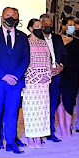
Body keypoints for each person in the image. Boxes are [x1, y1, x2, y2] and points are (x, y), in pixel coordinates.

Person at [0, 7, 30, 155]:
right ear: (1, 17)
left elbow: (26, 59)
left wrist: (16, 76)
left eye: (14, 15)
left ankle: (10, 142)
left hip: (15, 83)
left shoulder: (23, 37)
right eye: (8, 15)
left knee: (12, 113)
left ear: (18, 18)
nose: (11, 17)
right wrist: (3, 75)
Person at [22, 19, 52, 148]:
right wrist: (36, 77)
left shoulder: (44, 43)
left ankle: (39, 136)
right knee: (30, 109)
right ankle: (30, 137)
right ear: (30, 28)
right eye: (37, 26)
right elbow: (24, 63)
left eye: (41, 26)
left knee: (43, 110)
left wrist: (47, 75)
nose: (40, 28)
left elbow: (48, 61)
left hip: (44, 83)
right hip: (31, 82)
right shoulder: (25, 43)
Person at [40, 13, 67, 142]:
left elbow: (65, 55)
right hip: (42, 77)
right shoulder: (36, 38)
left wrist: (61, 66)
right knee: (41, 105)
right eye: (46, 24)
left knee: (53, 104)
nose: (48, 27)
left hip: (56, 76)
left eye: (50, 25)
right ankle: (39, 131)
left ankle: (50, 131)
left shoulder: (57, 38)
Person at [57, 17, 79, 140]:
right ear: (63, 26)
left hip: (72, 74)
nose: (72, 27)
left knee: (69, 100)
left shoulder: (77, 42)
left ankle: (68, 128)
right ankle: (62, 128)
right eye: (70, 24)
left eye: (73, 24)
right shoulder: (57, 39)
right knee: (60, 101)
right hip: (59, 73)